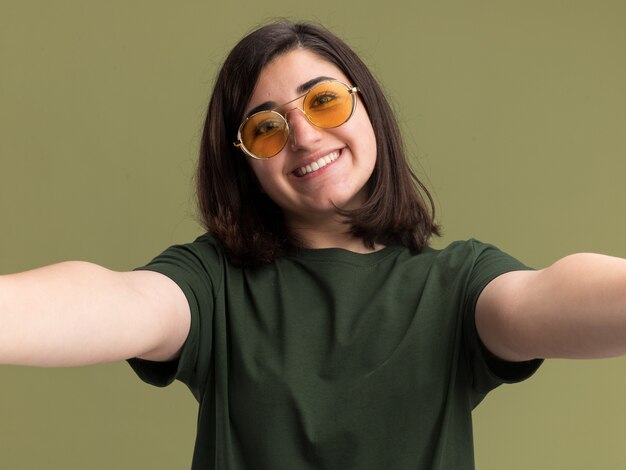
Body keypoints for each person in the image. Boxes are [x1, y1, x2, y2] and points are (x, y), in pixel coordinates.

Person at [0, 21, 625, 470]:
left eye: (322, 100)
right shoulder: (213, 285)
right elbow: (114, 299)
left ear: (365, 108)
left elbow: (550, 296)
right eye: (266, 127)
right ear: (243, 162)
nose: (302, 133)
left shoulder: (458, 285)